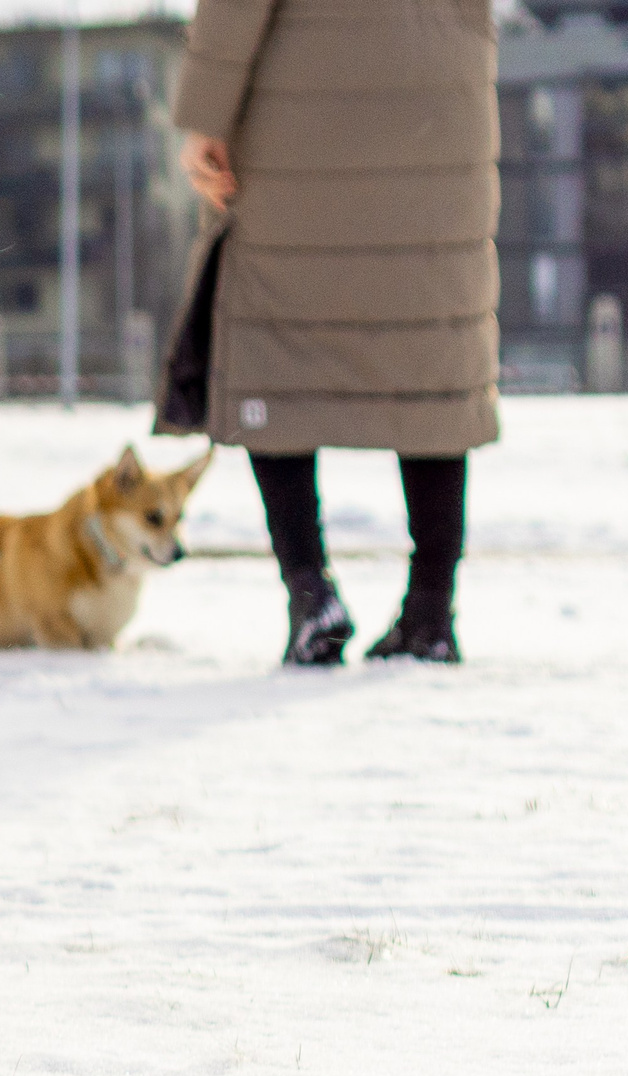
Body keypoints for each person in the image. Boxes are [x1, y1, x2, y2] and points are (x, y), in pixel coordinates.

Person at [156, 0, 499, 665]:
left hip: (302, 105)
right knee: (433, 354)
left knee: (272, 348)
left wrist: (204, 112)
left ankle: (312, 595)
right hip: (442, 96)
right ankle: (431, 608)